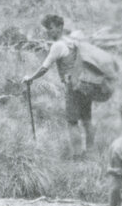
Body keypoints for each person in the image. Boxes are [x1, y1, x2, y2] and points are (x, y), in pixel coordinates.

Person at [21, 13, 115, 156]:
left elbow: (44, 67)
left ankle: (77, 155)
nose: (48, 31)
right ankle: (90, 152)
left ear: (60, 27)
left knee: (72, 122)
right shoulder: (73, 40)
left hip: (72, 86)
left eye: (51, 28)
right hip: (85, 83)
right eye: (47, 28)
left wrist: (31, 78)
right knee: (87, 119)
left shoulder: (58, 45)